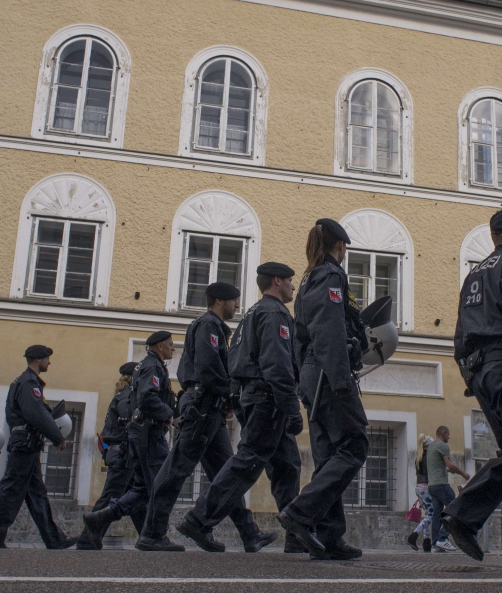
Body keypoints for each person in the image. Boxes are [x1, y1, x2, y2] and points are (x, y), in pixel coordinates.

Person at [133, 285, 274, 552]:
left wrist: (225, 400)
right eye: (234, 301)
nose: (236, 306)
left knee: (225, 474)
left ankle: (248, 533)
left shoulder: (214, 327)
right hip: (202, 408)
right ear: (219, 300)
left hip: (210, 409)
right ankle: (151, 533)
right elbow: (209, 369)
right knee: (175, 470)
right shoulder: (208, 325)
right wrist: (231, 396)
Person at [179, 263, 306, 554]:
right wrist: (291, 407)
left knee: (287, 466)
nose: (292, 286)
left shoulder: (251, 313)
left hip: (255, 398)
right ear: (277, 281)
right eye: (289, 280)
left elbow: (235, 361)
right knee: (247, 463)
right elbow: (278, 364)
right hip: (268, 400)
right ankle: (199, 519)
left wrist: (237, 399)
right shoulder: (274, 313)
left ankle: (296, 534)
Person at [443, 208, 502, 561]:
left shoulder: (474, 274)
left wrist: (470, 376)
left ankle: (472, 520)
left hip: (482, 371)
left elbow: (460, 331)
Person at [277, 218, 368, 561]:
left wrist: (305, 379)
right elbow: (329, 329)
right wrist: (341, 379)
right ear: (340, 246)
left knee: (329, 456)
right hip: (329, 370)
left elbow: (300, 337)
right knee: (355, 443)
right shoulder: (331, 275)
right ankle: (301, 512)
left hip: (313, 373)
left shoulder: (306, 279)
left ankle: (330, 538)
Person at [83, 331, 177, 546]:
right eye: (170, 344)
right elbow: (147, 398)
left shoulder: (150, 366)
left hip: (145, 436)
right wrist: (168, 414)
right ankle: (154, 536)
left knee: (142, 489)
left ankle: (101, 519)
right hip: (149, 436)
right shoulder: (152, 366)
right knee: (161, 485)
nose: (173, 348)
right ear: (160, 346)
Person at [0, 345, 76, 549]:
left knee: (37, 494)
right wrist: (56, 435)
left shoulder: (24, 381)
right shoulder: (28, 382)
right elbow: (35, 413)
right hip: (25, 444)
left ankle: (54, 540)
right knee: (10, 491)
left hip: (27, 444)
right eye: (47, 359)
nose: (49, 362)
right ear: (38, 360)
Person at [75, 361, 139, 550]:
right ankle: (86, 539)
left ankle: (149, 537)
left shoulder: (121, 396)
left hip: (121, 454)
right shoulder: (128, 397)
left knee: (137, 499)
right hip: (123, 455)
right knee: (110, 497)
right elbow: (131, 423)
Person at [427, 426, 469, 553]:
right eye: (448, 434)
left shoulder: (430, 447)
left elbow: (439, 467)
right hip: (441, 485)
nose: (449, 437)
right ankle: (442, 538)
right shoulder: (443, 446)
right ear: (444, 434)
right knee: (456, 509)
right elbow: (450, 465)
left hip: (432, 486)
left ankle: (434, 545)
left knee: (436, 515)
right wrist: (463, 474)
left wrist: (447, 471)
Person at [407, 434, 436, 553]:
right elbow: (431, 473)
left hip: (419, 488)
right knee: (431, 515)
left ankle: (426, 541)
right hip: (426, 488)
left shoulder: (418, 457)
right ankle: (413, 536)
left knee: (427, 515)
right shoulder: (429, 456)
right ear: (427, 445)